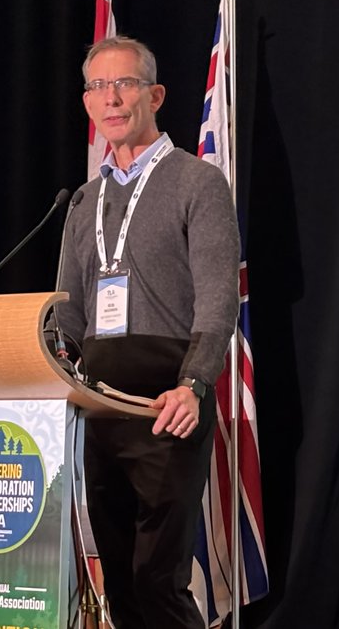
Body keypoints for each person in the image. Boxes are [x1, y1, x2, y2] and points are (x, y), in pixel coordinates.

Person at [57, 35, 240, 629]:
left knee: (155, 579)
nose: (110, 98)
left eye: (124, 83)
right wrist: (56, 370)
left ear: (154, 94)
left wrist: (193, 382)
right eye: (96, 87)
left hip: (167, 401)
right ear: (87, 104)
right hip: (99, 407)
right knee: (119, 580)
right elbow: (67, 311)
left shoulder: (197, 183)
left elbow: (218, 300)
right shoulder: (83, 201)